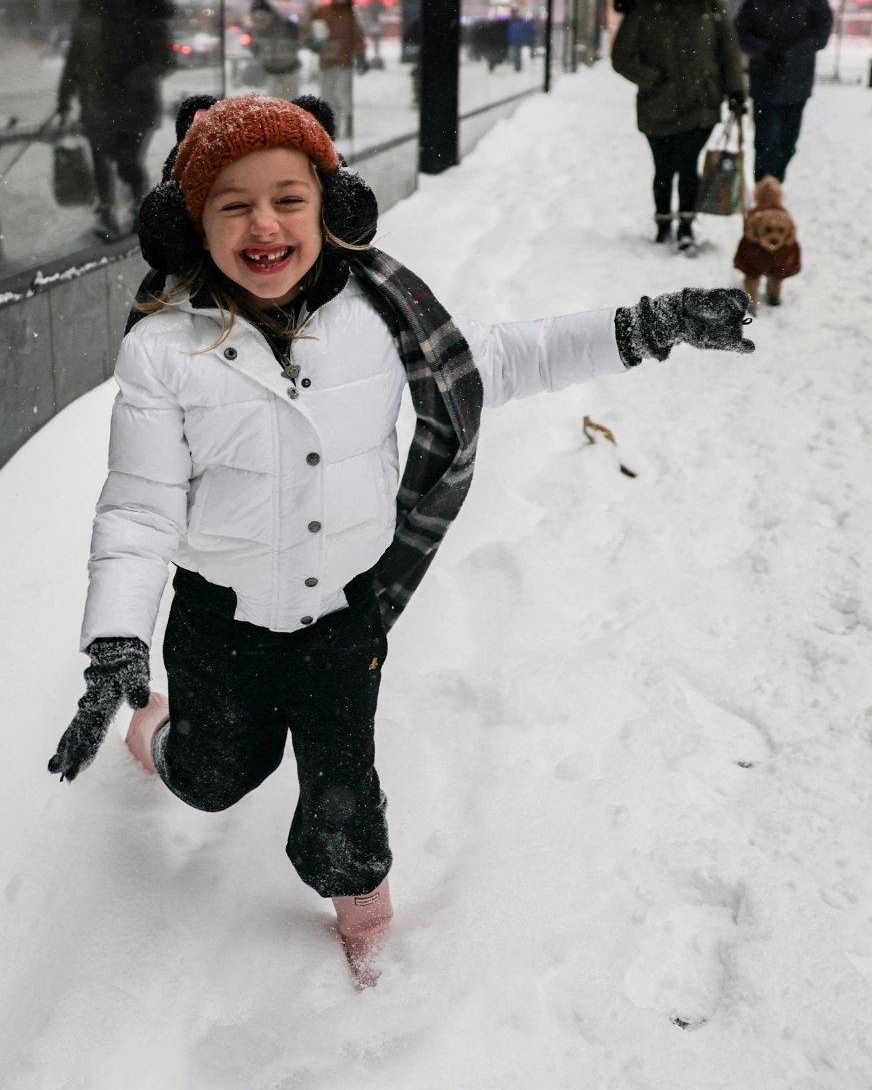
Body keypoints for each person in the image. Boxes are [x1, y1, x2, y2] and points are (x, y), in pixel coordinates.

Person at [47, 91, 754, 986]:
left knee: (345, 795)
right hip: (217, 621)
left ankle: (369, 930)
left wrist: (645, 327)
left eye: (288, 199)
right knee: (216, 776)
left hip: (347, 615)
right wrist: (116, 643)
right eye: (233, 204)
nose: (264, 223)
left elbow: (504, 357)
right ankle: (158, 736)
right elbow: (139, 509)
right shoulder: (162, 351)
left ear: (332, 208)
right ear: (189, 226)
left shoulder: (384, 318)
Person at [610, 0, 747, 253]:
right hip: (658, 105)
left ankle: (686, 225)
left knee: (687, 164)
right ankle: (663, 222)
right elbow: (621, 57)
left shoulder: (708, 5)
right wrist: (653, 79)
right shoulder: (643, 10)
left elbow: (728, 49)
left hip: (701, 102)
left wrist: (736, 91)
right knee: (663, 167)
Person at [58, 0, 176, 240]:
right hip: (97, 104)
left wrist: (139, 77)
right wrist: (64, 98)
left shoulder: (146, 18)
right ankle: (108, 212)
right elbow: (75, 61)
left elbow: (165, 60)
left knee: (127, 161)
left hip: (135, 107)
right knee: (101, 161)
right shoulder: (90, 18)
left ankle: (138, 208)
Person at [734, 0, 833, 184]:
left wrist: (792, 53)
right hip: (764, 84)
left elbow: (821, 35)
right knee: (765, 142)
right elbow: (740, 32)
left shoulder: (815, 0)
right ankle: (763, 188)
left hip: (797, 86)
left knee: (787, 144)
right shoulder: (757, 0)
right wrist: (765, 51)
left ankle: (775, 183)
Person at [304, 0, 365, 139]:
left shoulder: (351, 15)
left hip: (344, 62)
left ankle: (347, 119)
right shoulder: (322, 12)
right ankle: (332, 125)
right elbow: (308, 29)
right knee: (327, 95)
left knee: (342, 93)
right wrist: (310, 40)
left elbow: (358, 37)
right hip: (326, 62)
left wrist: (361, 55)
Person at [246, 0, 301, 100]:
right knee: (275, 104)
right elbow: (255, 50)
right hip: (271, 72)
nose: (261, 21)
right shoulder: (255, 31)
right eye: (257, 18)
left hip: (290, 70)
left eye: (263, 16)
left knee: (290, 104)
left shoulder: (287, 26)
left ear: (270, 14)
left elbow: (298, 43)